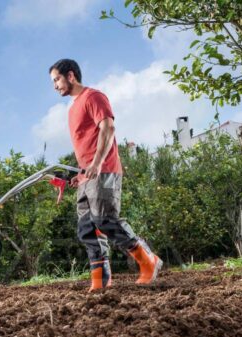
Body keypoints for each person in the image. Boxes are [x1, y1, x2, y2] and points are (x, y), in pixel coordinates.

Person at [48, 58, 163, 292]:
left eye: (57, 79)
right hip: (86, 176)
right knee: (86, 228)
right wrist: (78, 175)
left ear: (71, 76)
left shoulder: (93, 97)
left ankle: (147, 260)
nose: (55, 85)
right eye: (53, 81)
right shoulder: (72, 110)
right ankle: (101, 278)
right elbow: (85, 145)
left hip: (105, 170)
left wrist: (98, 163)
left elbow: (108, 127)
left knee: (105, 220)